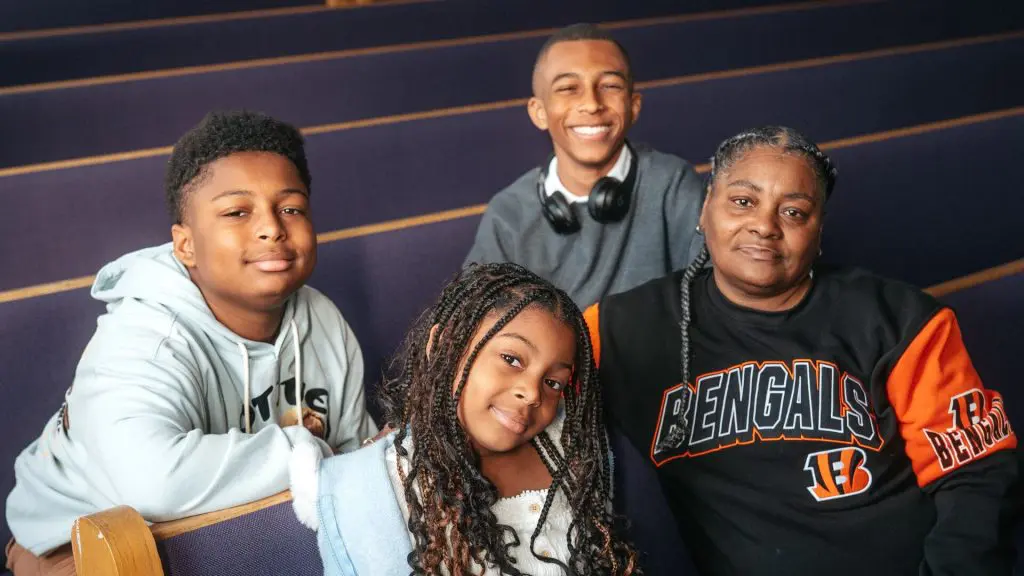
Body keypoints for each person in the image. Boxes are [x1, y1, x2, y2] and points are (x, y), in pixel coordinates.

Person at [584, 126, 1018, 575]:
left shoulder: (901, 320)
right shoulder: (620, 327)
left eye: (793, 212)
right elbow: (524, 398)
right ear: (705, 207)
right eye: (743, 201)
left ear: (818, 229)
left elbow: (976, 473)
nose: (765, 226)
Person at [5, 111, 377, 575]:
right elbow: (154, 483)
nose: (271, 228)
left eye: (291, 208)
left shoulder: (322, 318)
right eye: (237, 212)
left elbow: (359, 455)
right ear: (185, 246)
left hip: (240, 520)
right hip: (85, 536)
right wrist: (306, 452)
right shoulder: (144, 336)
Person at [290, 262, 640, 575]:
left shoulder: (570, 453)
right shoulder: (380, 489)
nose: (533, 394)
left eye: (552, 382)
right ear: (444, 344)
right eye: (512, 359)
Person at [464, 24, 704, 308]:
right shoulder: (508, 214)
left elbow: (712, 296)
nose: (591, 104)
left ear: (634, 105)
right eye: (568, 88)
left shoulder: (673, 184)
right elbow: (477, 317)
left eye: (610, 86)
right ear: (539, 112)